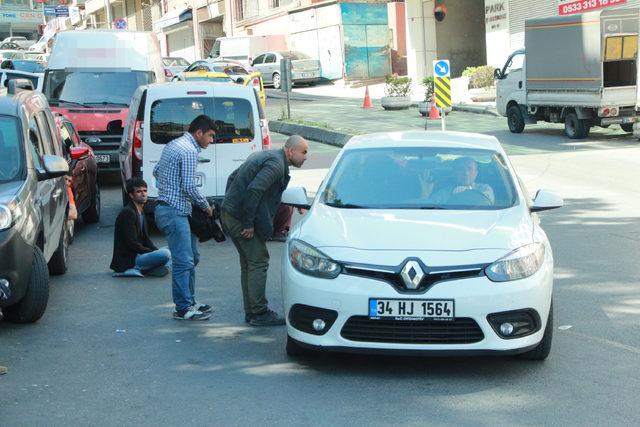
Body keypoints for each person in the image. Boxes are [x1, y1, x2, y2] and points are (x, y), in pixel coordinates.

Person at [221, 135, 309, 326]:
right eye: (303, 152)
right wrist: (247, 223)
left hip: (231, 214)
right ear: (290, 150)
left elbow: (233, 178)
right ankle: (259, 313)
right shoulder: (277, 165)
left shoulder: (267, 156)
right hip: (239, 219)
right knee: (259, 261)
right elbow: (254, 190)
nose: (306, 157)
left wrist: (231, 205)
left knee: (250, 263)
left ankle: (252, 312)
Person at [153, 115, 215, 321]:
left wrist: (167, 185)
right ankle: (183, 307)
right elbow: (189, 186)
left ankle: (190, 300)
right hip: (173, 211)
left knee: (192, 258)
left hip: (173, 209)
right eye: (210, 136)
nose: (211, 140)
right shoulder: (188, 151)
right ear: (199, 133)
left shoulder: (174, 144)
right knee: (183, 261)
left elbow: (156, 170)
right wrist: (206, 206)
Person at [110, 178, 171, 278]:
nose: (143, 194)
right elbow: (132, 244)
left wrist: (155, 251)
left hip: (139, 255)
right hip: (130, 259)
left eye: (145, 191)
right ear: (131, 195)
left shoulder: (141, 211)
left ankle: (154, 268)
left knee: (172, 249)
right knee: (165, 254)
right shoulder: (128, 213)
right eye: (139, 192)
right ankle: (147, 268)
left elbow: (146, 239)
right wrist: (154, 253)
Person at [429, 157, 494, 204]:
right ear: (454, 173)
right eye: (461, 169)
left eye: (470, 169)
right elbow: (430, 207)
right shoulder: (443, 193)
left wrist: (466, 191)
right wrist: (425, 194)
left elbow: (486, 201)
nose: (466, 173)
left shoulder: (485, 188)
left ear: (476, 173)